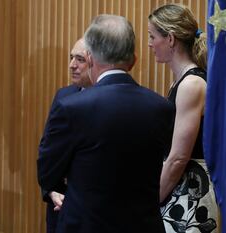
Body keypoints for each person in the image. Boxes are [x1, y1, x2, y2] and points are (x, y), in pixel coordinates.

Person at [37, 14, 174, 233]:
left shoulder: (71, 108)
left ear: (90, 59)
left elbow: (47, 174)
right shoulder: (162, 108)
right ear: (133, 60)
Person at [148, 4, 218, 233]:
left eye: (152, 36)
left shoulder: (191, 84)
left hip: (190, 194)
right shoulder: (180, 82)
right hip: (180, 189)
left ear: (170, 39)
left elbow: (178, 157)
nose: (149, 44)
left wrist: (151, 199)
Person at [39, 38, 92, 233]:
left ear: (95, 61)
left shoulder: (111, 99)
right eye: (71, 58)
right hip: (59, 202)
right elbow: (47, 148)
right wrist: (50, 190)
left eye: (80, 59)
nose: (72, 65)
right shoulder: (64, 96)